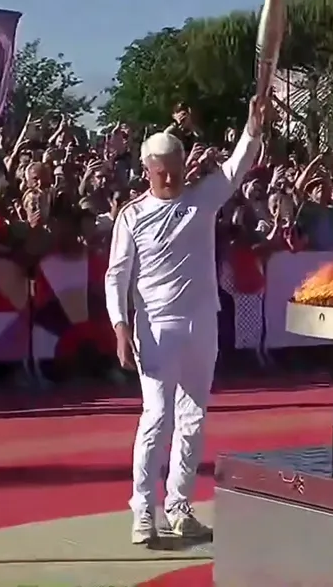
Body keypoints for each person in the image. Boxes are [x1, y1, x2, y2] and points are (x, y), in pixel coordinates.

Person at [104, 94, 267, 544]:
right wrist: (120, 326)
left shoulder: (202, 199)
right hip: (155, 329)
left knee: (193, 418)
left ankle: (179, 506)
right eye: (162, 171)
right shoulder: (132, 217)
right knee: (157, 416)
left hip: (202, 323)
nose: (172, 176)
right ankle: (143, 510)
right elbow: (116, 275)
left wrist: (253, 127)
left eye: (176, 166)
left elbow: (236, 167)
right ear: (147, 170)